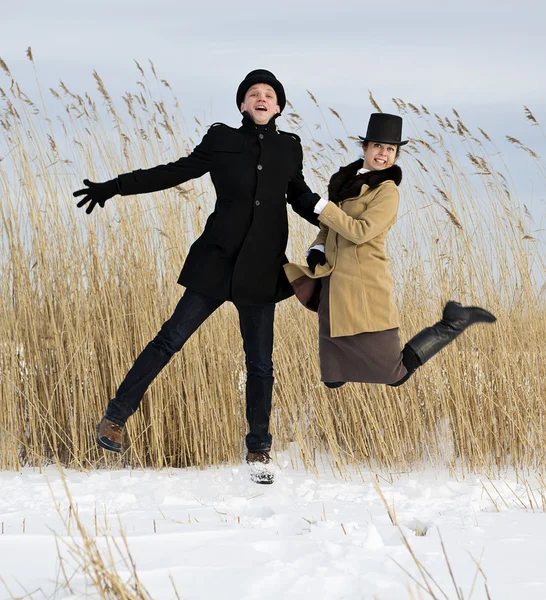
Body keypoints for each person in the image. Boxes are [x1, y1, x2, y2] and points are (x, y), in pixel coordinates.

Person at [73, 69, 322, 484]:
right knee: (169, 339)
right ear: (242, 104)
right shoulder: (222, 140)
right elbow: (176, 171)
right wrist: (115, 186)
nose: (261, 98)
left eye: (269, 94)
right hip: (216, 262)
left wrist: (337, 220)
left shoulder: (288, 148)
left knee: (261, 364)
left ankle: (259, 449)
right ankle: (114, 419)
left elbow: (300, 196)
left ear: (278, 106)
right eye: (253, 94)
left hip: (262, 270)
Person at [284, 113, 496, 389]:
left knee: (396, 375)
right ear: (365, 148)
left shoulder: (386, 192)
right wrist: (318, 246)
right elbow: (329, 226)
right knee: (333, 379)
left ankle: (454, 321)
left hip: (363, 289)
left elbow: (360, 232)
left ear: (396, 155)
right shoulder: (344, 184)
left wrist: (322, 207)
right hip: (333, 290)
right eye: (378, 146)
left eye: (390, 149)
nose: (383, 154)